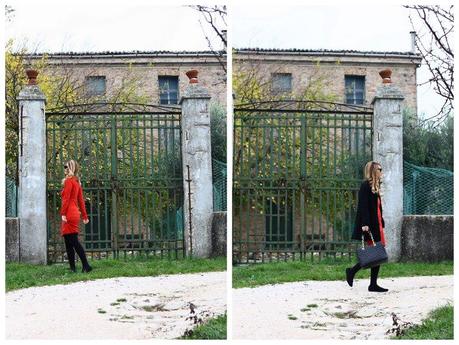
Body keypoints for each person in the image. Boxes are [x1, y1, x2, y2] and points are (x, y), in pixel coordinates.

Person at [345, 161, 388, 292]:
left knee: (378, 252)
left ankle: (372, 283)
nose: (381, 171)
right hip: (370, 225)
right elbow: (363, 206)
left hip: (377, 224)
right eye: (379, 169)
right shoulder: (365, 186)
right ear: (374, 171)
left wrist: (381, 220)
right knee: (375, 252)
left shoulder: (375, 187)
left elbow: (377, 208)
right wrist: (365, 224)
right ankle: (353, 272)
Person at [60, 160, 92, 273]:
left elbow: (66, 199)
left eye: (66, 167)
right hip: (74, 213)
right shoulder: (77, 182)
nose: (64, 169)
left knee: (73, 241)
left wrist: (63, 213)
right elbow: (81, 201)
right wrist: (84, 216)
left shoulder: (69, 181)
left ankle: (86, 265)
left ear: (71, 168)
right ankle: (73, 268)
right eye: (64, 167)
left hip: (69, 213)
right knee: (69, 242)